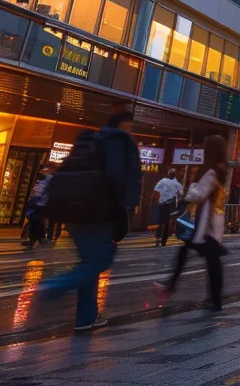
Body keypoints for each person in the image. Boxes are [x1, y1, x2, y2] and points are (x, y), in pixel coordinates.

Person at [38, 111, 144, 333]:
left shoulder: (91, 140)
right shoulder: (120, 142)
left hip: (75, 211)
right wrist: (123, 211)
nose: (130, 131)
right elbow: (120, 180)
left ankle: (85, 319)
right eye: (130, 127)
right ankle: (54, 286)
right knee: (100, 261)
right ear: (124, 125)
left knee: (90, 263)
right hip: (99, 214)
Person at [161, 134, 229, 311]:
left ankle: (213, 300)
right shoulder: (220, 170)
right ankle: (213, 300)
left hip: (207, 224)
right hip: (213, 222)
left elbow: (199, 194)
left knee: (207, 260)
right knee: (207, 259)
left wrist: (189, 191)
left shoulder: (212, 171)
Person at [22, 167, 52, 247]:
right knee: (38, 222)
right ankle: (39, 238)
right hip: (42, 204)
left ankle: (33, 239)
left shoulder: (44, 181)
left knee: (34, 222)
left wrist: (31, 202)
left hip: (38, 204)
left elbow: (38, 192)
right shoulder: (48, 181)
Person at [153, 171, 184, 247]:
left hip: (162, 203)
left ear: (168, 174)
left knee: (160, 222)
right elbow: (181, 194)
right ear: (174, 175)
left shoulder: (163, 180)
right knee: (167, 222)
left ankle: (158, 238)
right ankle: (164, 241)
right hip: (170, 204)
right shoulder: (177, 183)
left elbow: (156, 190)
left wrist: (156, 198)